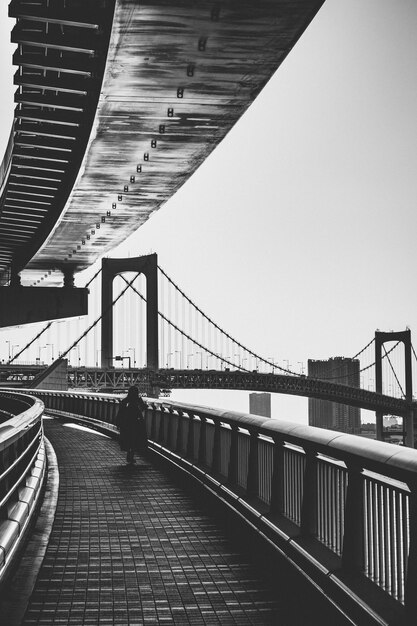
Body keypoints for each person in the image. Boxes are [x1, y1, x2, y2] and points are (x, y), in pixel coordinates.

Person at [116, 386, 147, 464]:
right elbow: (142, 408)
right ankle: (131, 455)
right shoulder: (137, 401)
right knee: (134, 439)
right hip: (136, 423)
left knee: (128, 438)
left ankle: (129, 454)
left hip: (126, 424)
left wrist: (118, 423)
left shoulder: (125, 401)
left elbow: (120, 413)